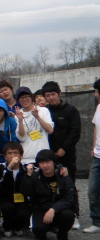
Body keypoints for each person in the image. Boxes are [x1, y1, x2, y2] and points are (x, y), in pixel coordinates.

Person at [42, 80, 82, 229]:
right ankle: (51, 213)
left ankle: (74, 215)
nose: (50, 97)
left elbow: (75, 131)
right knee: (49, 184)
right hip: (49, 155)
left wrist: (64, 149)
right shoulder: (44, 111)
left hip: (67, 154)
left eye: (53, 94)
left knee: (69, 183)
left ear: (59, 93)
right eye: (47, 95)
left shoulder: (70, 110)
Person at [20, 150, 75, 240]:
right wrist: (28, 176)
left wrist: (53, 209)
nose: (45, 166)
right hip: (41, 207)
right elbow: (25, 192)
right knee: (39, 232)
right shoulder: (35, 175)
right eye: (41, 163)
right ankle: (50, 227)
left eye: (48, 162)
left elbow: (69, 197)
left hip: (59, 207)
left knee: (69, 215)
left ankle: (62, 235)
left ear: (54, 162)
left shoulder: (62, 174)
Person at [0, 142, 32, 238]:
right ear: (5, 156)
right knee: (7, 208)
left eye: (16, 153)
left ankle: (17, 228)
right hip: (4, 197)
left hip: (21, 197)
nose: (13, 156)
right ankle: (7, 228)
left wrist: (28, 175)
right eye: (9, 153)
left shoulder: (26, 168)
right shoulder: (0, 167)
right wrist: (9, 168)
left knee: (24, 212)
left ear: (21, 155)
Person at [14, 87, 54, 164]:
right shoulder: (18, 114)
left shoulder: (43, 110)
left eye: (27, 97)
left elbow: (50, 130)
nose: (24, 99)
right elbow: (21, 138)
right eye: (21, 98)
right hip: (26, 157)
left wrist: (37, 116)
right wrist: (20, 120)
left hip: (43, 156)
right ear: (18, 100)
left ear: (32, 97)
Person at [84, 78, 100, 234]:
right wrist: (94, 146)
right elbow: (96, 127)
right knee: (93, 190)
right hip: (97, 157)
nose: (94, 94)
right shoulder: (99, 107)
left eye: (96, 91)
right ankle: (97, 221)